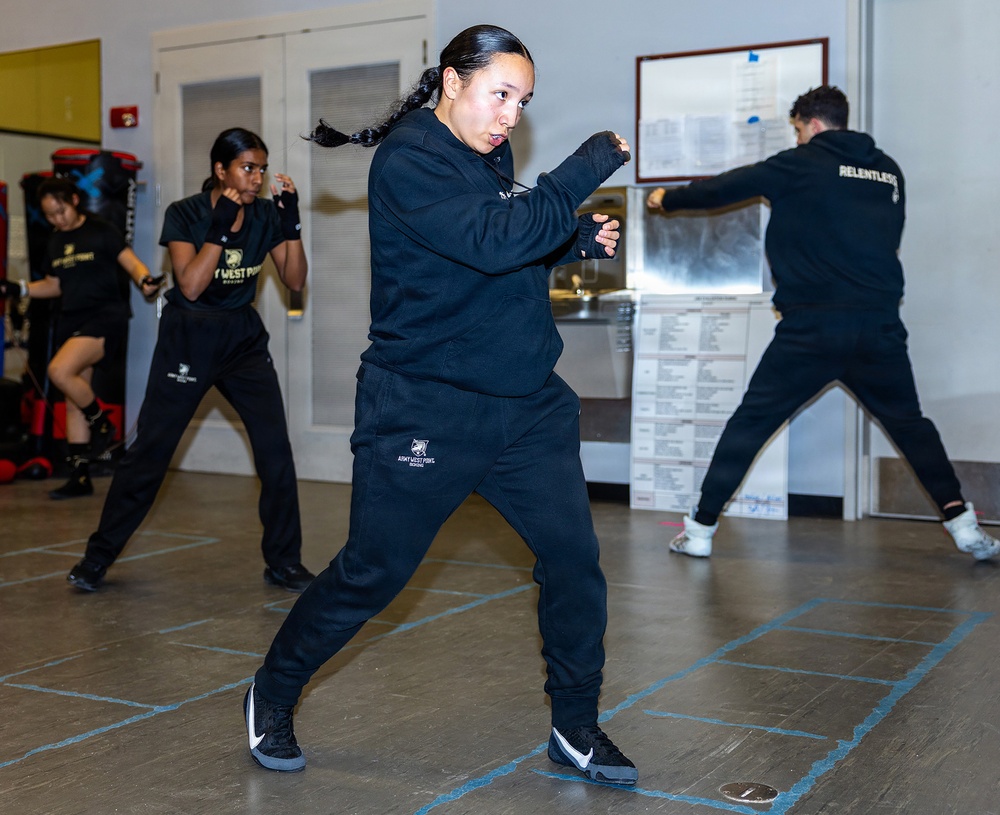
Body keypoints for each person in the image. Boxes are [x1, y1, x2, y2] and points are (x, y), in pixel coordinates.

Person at [242, 25, 638, 785]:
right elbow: (490, 239)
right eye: (500, 94)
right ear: (453, 81)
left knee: (574, 562)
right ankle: (275, 688)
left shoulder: (491, 155)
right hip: (426, 404)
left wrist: (569, 241)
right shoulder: (407, 160)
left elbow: (488, 257)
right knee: (374, 570)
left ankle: (575, 726)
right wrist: (586, 167)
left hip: (526, 404)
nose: (510, 116)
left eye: (523, 102)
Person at [647, 85, 999, 562]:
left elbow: (725, 187)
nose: (796, 139)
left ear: (812, 124)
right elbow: (886, 236)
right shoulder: (888, 171)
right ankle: (965, 527)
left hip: (811, 329)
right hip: (878, 327)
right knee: (911, 426)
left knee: (751, 423)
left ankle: (700, 531)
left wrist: (668, 198)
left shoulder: (800, 163)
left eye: (797, 130)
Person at [65, 127, 316, 594]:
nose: (257, 177)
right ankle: (97, 558)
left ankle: (284, 562)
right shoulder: (186, 213)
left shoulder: (265, 214)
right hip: (189, 337)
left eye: (261, 169)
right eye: (247, 167)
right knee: (150, 452)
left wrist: (292, 225)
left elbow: (295, 280)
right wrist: (219, 227)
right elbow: (191, 286)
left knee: (275, 452)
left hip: (242, 340)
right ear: (220, 170)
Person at [0, 178, 160, 500]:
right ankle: (80, 476)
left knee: (59, 371)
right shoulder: (56, 241)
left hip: (105, 316)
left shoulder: (102, 230)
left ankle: (102, 425)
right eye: (50, 215)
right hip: (70, 318)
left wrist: (145, 280)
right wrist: (19, 288)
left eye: (61, 211)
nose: (57, 219)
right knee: (73, 401)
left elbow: (130, 262)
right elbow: (54, 285)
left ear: (74, 200)